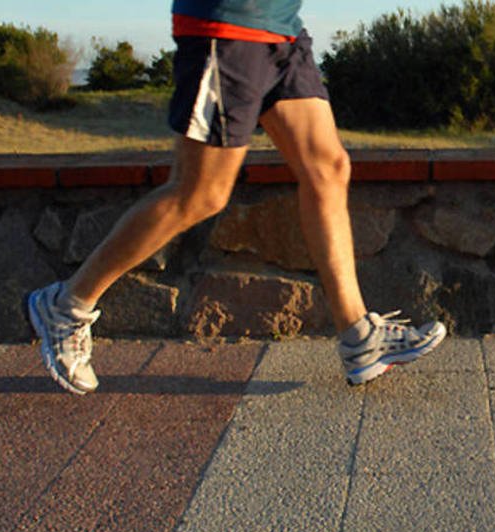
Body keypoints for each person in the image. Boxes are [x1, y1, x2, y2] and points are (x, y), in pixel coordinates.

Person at [27, 0, 446, 395]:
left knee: (328, 167)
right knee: (201, 192)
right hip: (227, 27)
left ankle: (359, 337)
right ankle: (67, 305)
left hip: (281, 32)